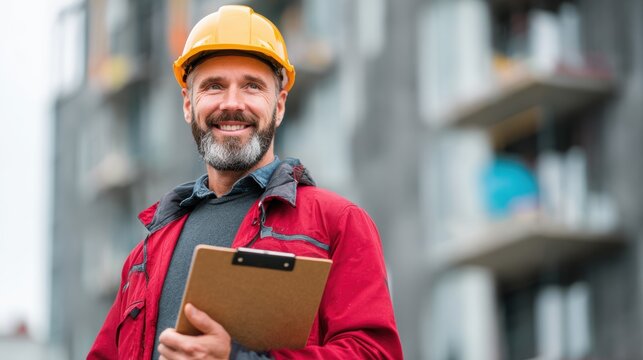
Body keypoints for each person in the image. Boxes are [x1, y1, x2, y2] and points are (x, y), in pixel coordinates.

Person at [88, 5, 403, 359]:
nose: (232, 103)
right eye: (213, 86)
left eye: (252, 86)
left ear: (279, 105)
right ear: (188, 105)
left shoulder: (337, 223)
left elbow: (374, 354)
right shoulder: (145, 254)